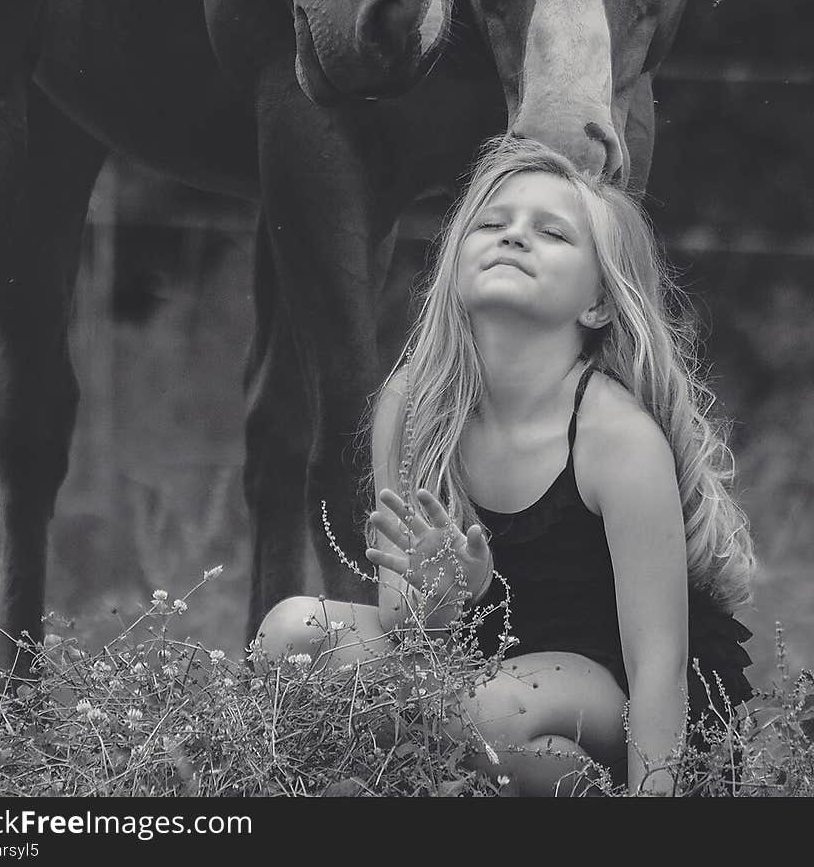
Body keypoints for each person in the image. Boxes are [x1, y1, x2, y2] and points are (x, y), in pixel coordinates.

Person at [256, 137, 755, 796]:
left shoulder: (616, 438)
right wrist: (445, 598)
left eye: (551, 233)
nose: (514, 237)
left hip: (610, 679)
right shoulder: (415, 406)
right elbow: (412, 633)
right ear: (458, 263)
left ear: (599, 303)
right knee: (291, 630)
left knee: (489, 714)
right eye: (492, 224)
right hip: (472, 669)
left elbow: (656, 663)